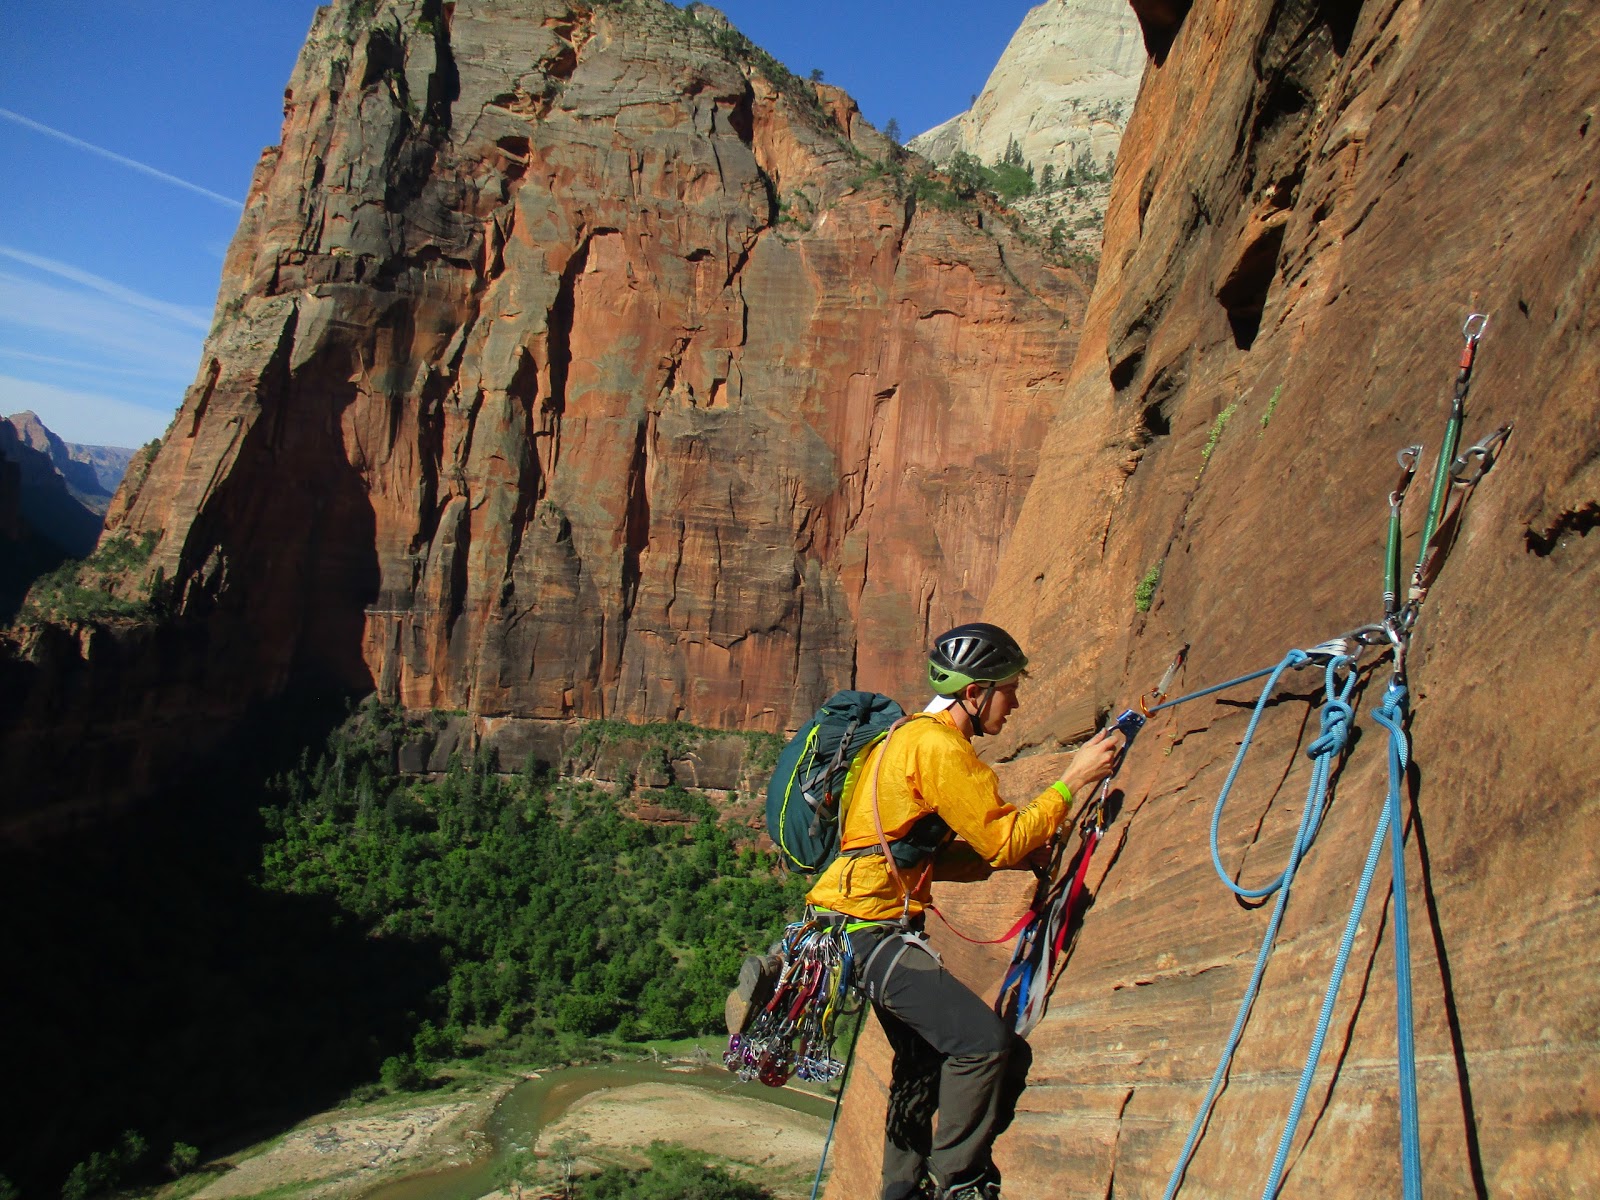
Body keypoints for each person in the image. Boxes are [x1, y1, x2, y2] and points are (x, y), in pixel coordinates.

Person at [805, 622, 1123, 1200]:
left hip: (848, 926)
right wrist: (1072, 781)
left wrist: (1008, 861)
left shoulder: (906, 738)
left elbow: (922, 851)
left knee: (920, 1064)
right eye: (1008, 688)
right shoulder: (941, 749)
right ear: (975, 694)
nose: (1017, 701)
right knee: (981, 1045)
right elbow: (1000, 839)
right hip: (871, 932)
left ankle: (899, 1189)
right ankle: (959, 1180)